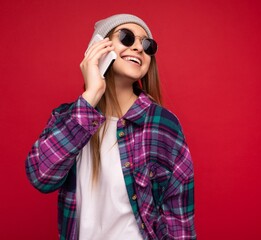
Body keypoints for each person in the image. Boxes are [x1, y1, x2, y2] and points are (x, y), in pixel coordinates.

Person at [25, 14, 196, 240]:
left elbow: (179, 220)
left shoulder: (162, 125)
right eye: (126, 37)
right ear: (99, 46)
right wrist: (92, 95)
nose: (138, 47)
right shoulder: (68, 117)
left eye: (147, 45)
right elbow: (41, 177)